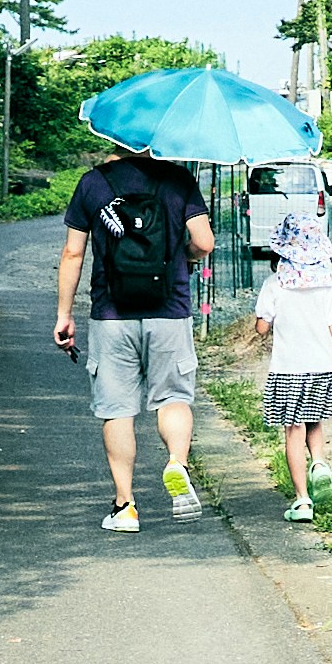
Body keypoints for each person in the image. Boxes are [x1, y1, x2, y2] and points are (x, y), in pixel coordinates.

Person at [53, 137, 216, 528]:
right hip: (169, 311)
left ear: (114, 138)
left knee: (117, 409)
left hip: (112, 314)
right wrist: (185, 255)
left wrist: (63, 314)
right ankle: (177, 463)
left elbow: (73, 253)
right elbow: (204, 243)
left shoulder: (94, 182)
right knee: (173, 398)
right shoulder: (178, 179)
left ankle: (125, 506)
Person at [255, 170, 332, 519]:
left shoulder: (275, 285)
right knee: (316, 422)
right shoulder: (331, 286)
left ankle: (301, 500)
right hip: (323, 367)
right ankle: (320, 463)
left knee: (292, 430)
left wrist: (265, 321)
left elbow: (262, 328)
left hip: (287, 370)